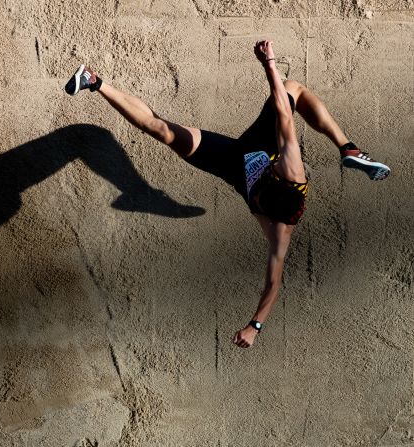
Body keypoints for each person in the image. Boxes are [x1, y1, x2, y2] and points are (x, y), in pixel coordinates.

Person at [65, 40, 391, 349]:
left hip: (233, 165)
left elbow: (273, 285)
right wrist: (270, 65)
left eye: (270, 172)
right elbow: (282, 111)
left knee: (160, 129)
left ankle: (94, 81)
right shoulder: (293, 171)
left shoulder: (279, 231)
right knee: (294, 90)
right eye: (273, 169)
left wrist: (255, 326)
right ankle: (349, 148)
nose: (273, 168)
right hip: (260, 144)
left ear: (265, 196)